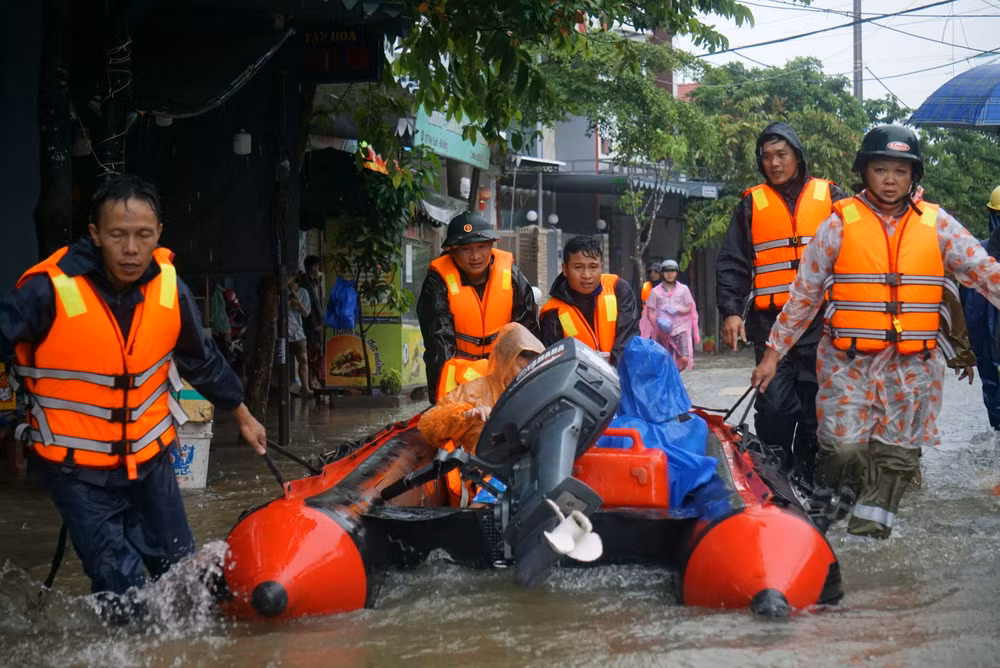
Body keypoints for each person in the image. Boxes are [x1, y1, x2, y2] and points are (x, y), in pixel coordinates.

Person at [0, 174, 267, 607]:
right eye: (118, 235)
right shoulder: (47, 290)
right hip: (78, 473)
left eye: (143, 235)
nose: (130, 249)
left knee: (183, 578)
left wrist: (240, 410)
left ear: (158, 233)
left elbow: (201, 358)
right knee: (119, 587)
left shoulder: (169, 289)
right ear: (95, 235)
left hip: (151, 465)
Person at [751, 125, 1000, 540]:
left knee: (897, 459)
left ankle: (870, 541)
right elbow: (804, 294)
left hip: (913, 368)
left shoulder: (937, 224)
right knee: (844, 449)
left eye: (900, 171)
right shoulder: (839, 223)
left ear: (913, 177)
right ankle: (830, 517)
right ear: (864, 173)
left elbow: (986, 273)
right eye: (880, 169)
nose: (890, 179)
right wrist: (773, 354)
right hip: (849, 364)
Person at [716, 121, 850, 485]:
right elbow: (732, 262)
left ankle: (811, 485)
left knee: (815, 414)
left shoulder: (831, 198)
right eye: (767, 157)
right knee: (775, 405)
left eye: (781, 155)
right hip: (771, 326)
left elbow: (859, 249)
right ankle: (777, 480)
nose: (774, 163)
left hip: (822, 324)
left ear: (797, 156)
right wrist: (730, 310)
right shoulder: (751, 204)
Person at [417, 212, 539, 403]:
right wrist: (448, 402)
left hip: (503, 375)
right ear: (452, 250)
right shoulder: (438, 281)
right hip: (459, 378)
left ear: (492, 245)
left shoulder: (511, 277)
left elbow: (527, 335)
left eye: (481, 247)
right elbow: (439, 344)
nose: (475, 256)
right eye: (466, 249)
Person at [418, 323, 543, 506]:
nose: (526, 376)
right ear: (503, 361)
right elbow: (429, 426)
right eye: (521, 368)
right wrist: (466, 415)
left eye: (532, 369)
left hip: (533, 473)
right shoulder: (473, 392)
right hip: (486, 476)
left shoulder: (542, 392)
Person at [539, 235, 640, 364]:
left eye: (593, 267)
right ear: (565, 269)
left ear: (601, 267)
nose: (586, 275)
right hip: (576, 379)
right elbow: (553, 361)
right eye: (578, 267)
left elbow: (629, 334)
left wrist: (612, 371)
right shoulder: (552, 312)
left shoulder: (618, 289)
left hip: (620, 374)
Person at [959, 185, 1000, 430]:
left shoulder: (976, 252)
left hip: (985, 344)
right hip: (986, 343)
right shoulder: (978, 254)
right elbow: (966, 306)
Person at [641, 259, 700, 371]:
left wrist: (678, 310)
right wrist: (658, 327)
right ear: (662, 273)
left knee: (684, 358)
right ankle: (668, 377)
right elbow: (650, 312)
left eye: (672, 271)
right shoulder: (655, 292)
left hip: (679, 329)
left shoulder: (683, 290)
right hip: (662, 332)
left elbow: (689, 307)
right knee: (662, 359)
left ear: (676, 273)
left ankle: (674, 373)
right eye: (667, 271)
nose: (669, 274)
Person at [301, 255, 325, 391]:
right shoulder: (306, 284)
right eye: (316, 266)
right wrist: (315, 324)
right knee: (311, 354)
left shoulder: (312, 282)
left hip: (316, 324)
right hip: (311, 326)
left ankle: (313, 380)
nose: (318, 269)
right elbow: (310, 308)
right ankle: (310, 382)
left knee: (314, 354)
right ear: (311, 267)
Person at [287, 273, 312, 398]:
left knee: (303, 359)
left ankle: (305, 387)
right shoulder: (280, 292)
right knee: (283, 362)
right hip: (282, 333)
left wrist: (298, 304)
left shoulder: (303, 293)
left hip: (298, 332)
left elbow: (306, 313)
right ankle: (284, 388)